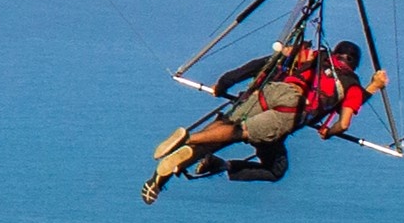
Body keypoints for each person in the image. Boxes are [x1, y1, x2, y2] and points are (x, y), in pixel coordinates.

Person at [143, 40, 382, 201]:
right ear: (353, 64)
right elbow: (346, 121)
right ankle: (192, 140)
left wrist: (225, 82)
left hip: (269, 91)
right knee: (260, 154)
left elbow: (261, 66)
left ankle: (159, 179)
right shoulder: (351, 84)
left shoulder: (311, 56)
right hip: (291, 109)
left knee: (222, 131)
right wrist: (330, 131)